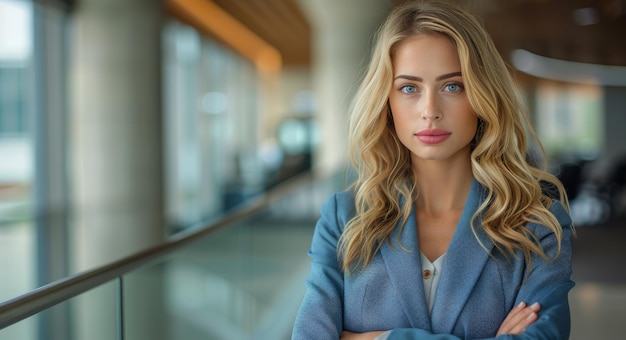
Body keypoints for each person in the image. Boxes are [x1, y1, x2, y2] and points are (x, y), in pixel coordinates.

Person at [291, 1, 575, 339]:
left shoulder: (537, 222)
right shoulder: (344, 218)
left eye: (452, 86)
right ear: (387, 102)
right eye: (409, 88)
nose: (430, 110)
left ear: (482, 95)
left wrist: (381, 338)